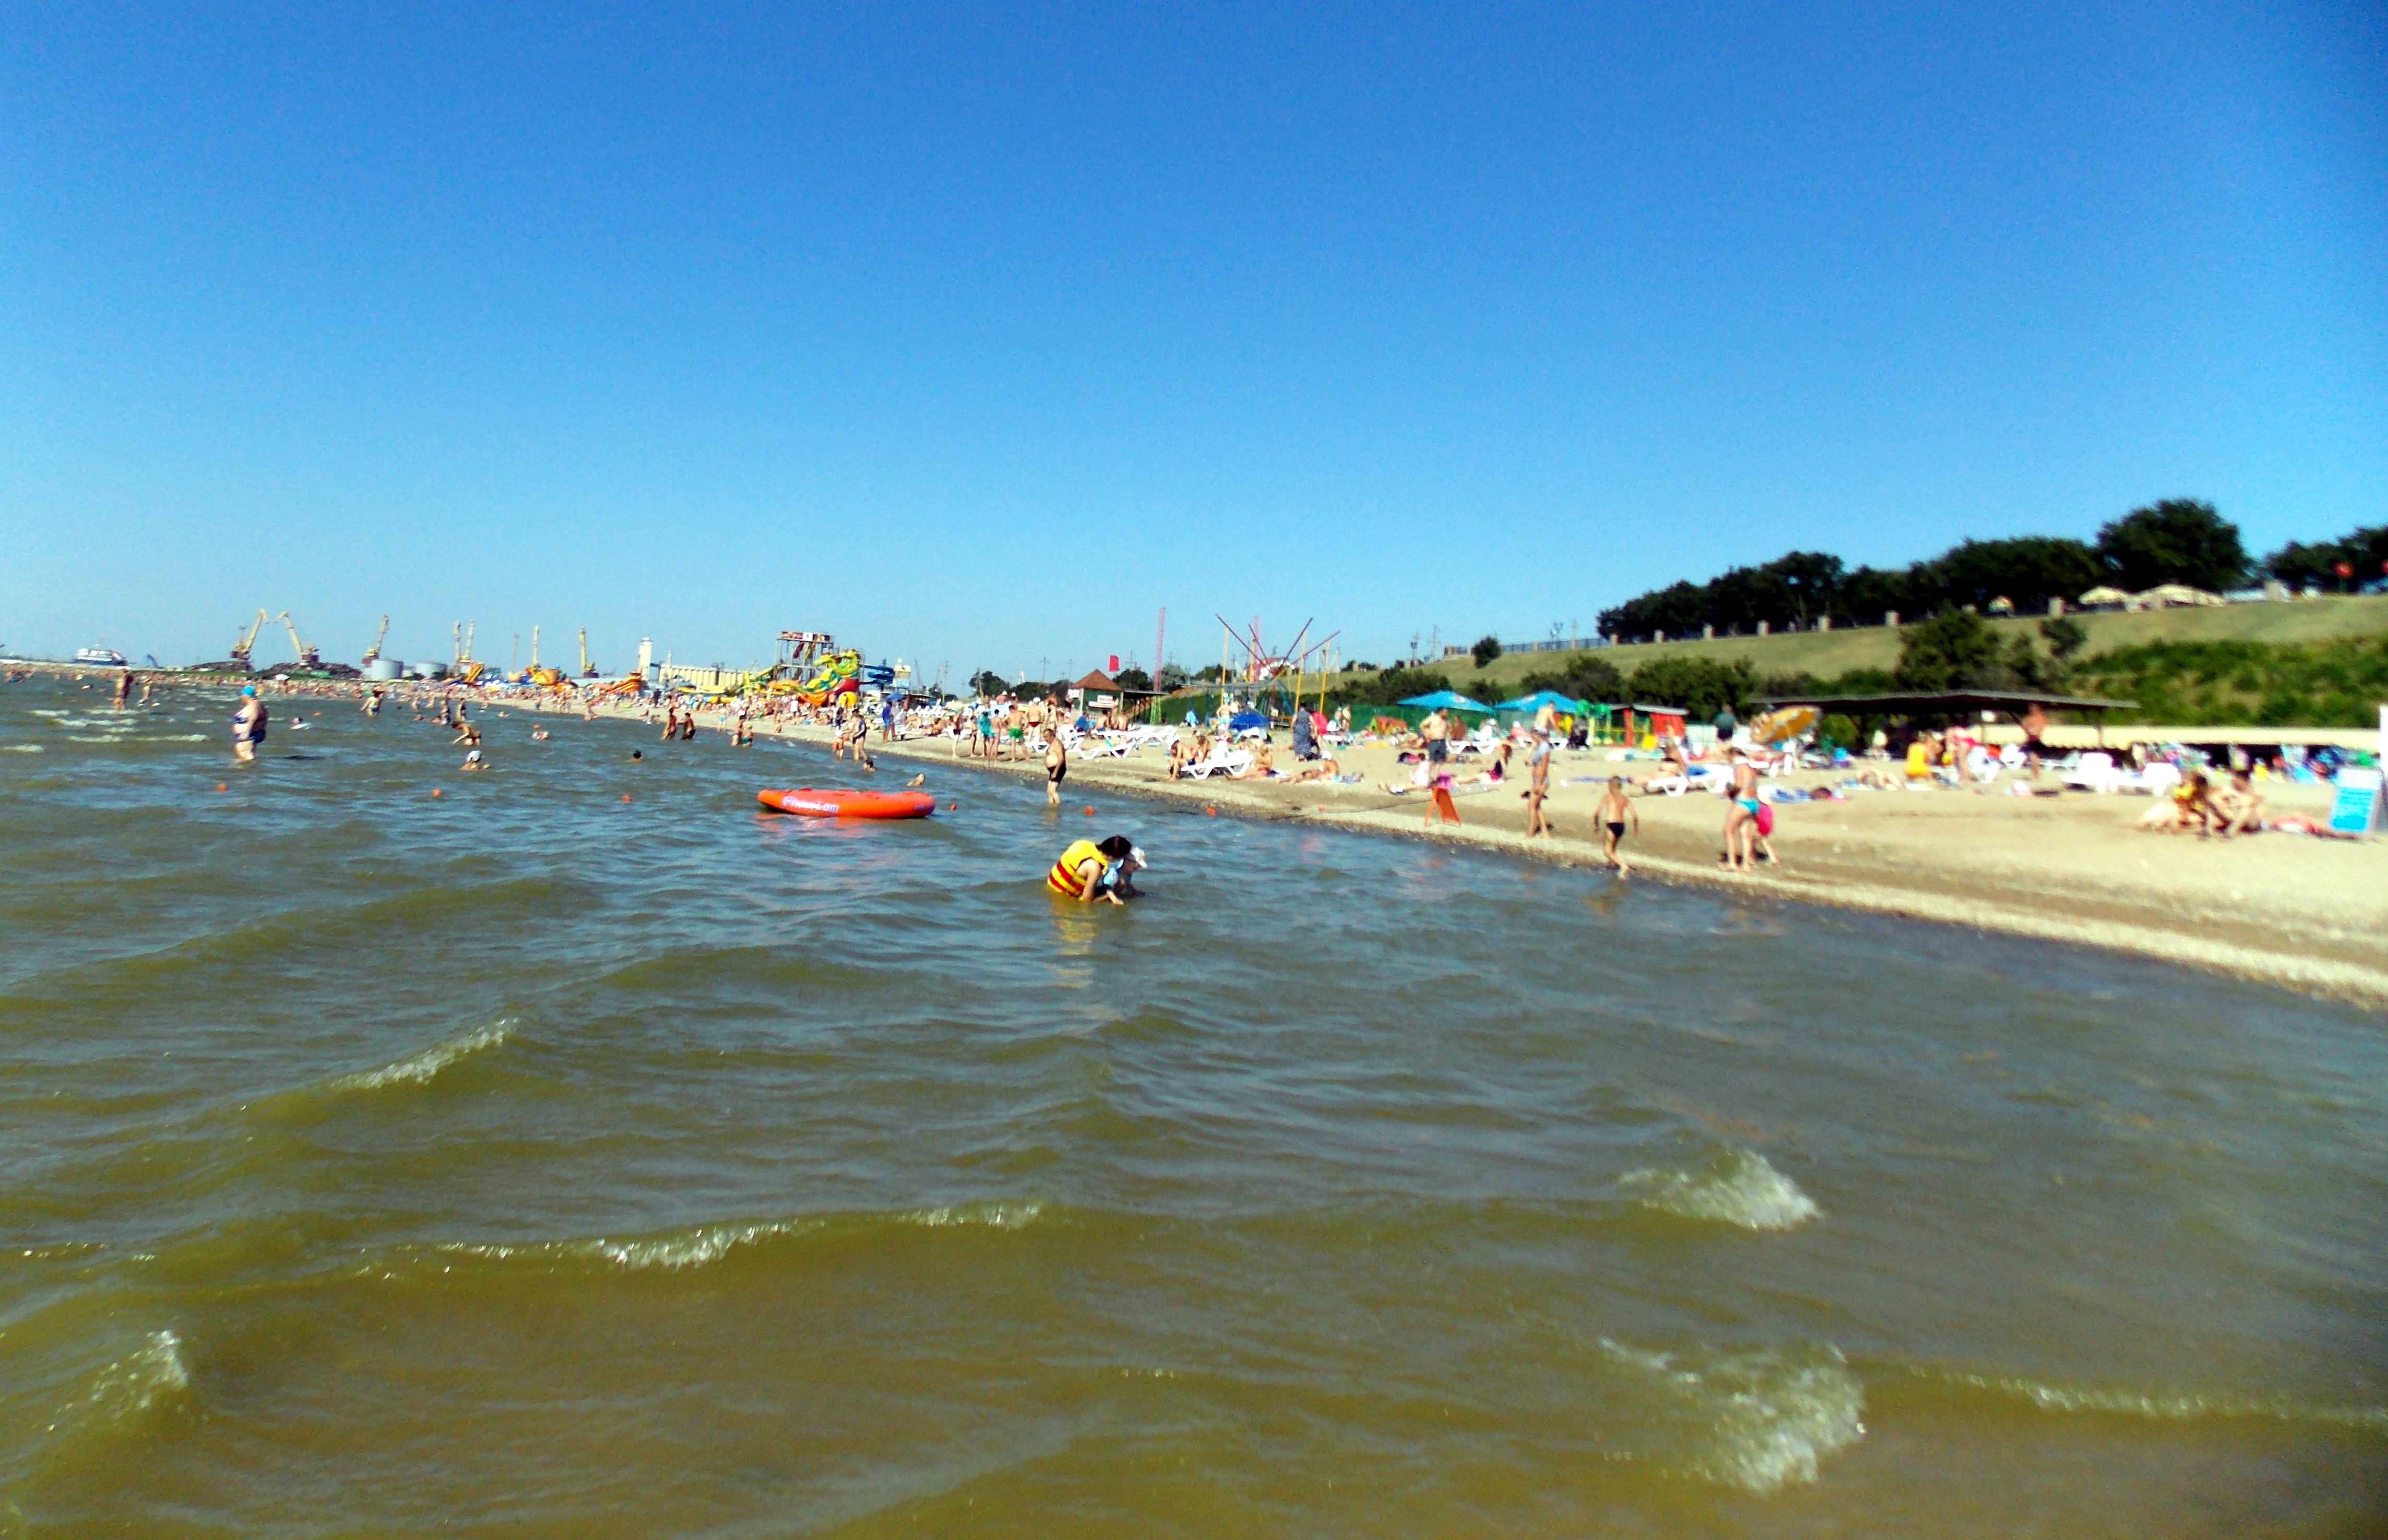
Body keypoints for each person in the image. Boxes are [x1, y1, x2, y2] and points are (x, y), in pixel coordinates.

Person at [1048, 834, 1136, 904]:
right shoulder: (1094, 868)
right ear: (1116, 857)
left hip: (1051, 886)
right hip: (1061, 898)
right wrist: (1111, 896)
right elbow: (1087, 903)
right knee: (1116, 891)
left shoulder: (1083, 844)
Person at [1597, 775, 1638, 874]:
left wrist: (1596, 825)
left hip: (1611, 824)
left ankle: (1623, 866)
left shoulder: (1607, 797)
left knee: (1607, 851)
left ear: (1611, 786)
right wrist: (1635, 829)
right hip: (1621, 826)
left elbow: (1597, 813)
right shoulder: (1625, 799)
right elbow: (1635, 816)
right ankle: (1612, 865)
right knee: (1613, 847)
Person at [1524, 733, 1554, 838]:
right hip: (1537, 780)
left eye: (1532, 734)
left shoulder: (1545, 747)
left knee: (1532, 805)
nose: (1531, 736)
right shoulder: (1539, 746)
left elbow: (1545, 766)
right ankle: (1545, 832)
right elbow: (1537, 763)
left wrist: (1539, 783)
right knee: (1537, 806)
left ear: (1537, 734)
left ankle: (1531, 831)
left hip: (1541, 781)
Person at [232, 684, 268, 763]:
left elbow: (253, 719)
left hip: (250, 734)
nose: (241, 697)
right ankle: (247, 773)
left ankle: (251, 772)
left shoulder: (254, 705)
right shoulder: (253, 704)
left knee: (248, 756)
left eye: (242, 695)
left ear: (247, 696)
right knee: (243, 756)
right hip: (250, 734)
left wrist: (247, 733)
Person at [1045, 723, 1068, 805]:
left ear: (1052, 736)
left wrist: (1055, 771)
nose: (1045, 739)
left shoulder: (1057, 744)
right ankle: (1051, 807)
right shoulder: (1051, 744)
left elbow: (1061, 758)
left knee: (1052, 791)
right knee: (1049, 791)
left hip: (1058, 768)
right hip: (1053, 769)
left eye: (1046, 737)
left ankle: (1058, 806)